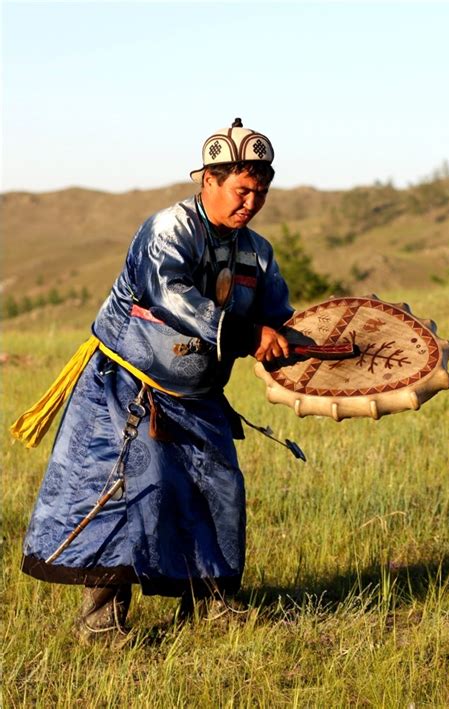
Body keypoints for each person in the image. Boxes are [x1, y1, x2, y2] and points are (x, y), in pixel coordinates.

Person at [15, 118, 293, 644]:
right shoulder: (169, 228)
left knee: (218, 491)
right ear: (207, 181)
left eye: (260, 192)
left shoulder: (257, 250)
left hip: (200, 393)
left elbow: (279, 318)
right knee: (126, 491)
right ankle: (100, 624)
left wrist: (323, 348)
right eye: (241, 190)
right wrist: (249, 332)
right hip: (127, 385)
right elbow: (172, 297)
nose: (251, 203)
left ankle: (212, 605)